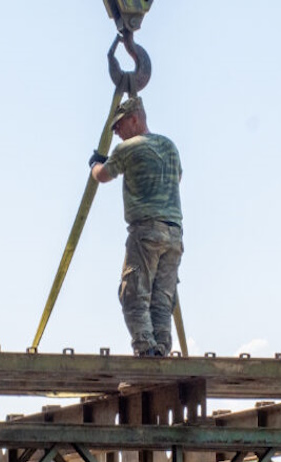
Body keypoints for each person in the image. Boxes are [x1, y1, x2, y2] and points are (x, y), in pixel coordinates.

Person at [89, 96, 184, 357]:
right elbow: (177, 177)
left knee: (134, 293)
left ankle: (145, 348)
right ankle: (161, 350)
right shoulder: (169, 146)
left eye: (119, 125)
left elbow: (103, 176)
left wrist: (95, 163)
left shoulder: (128, 148)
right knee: (162, 298)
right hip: (174, 233)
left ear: (134, 119)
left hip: (146, 231)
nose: (117, 132)